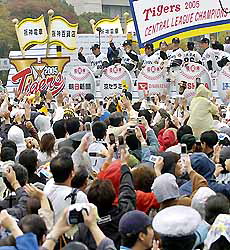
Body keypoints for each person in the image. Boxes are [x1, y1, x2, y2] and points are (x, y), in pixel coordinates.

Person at [44, 154, 88, 222]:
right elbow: (87, 221)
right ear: (72, 173)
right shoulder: (79, 196)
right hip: (68, 231)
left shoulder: (48, 186)